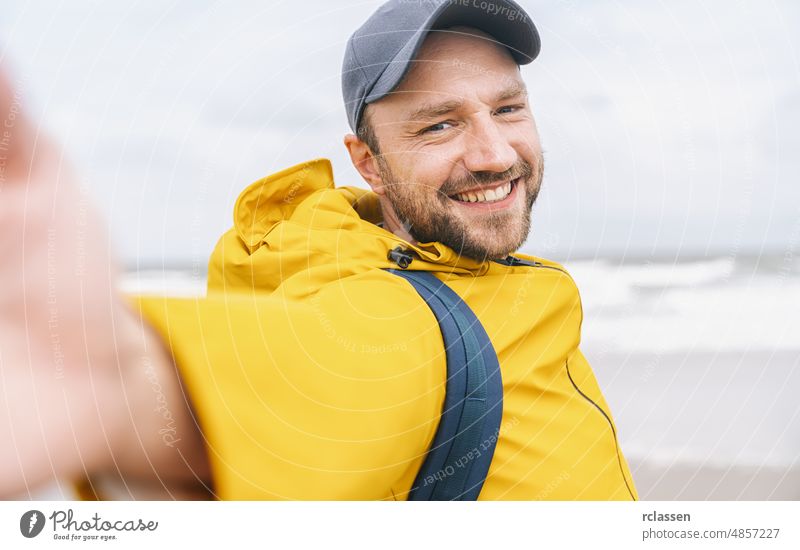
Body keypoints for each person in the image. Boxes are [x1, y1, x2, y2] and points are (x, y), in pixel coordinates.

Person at [0, 0, 638, 500]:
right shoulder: (394, 318)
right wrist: (112, 384)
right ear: (370, 164)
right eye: (439, 124)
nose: (494, 153)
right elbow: (316, 372)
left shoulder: (498, 282)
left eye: (507, 108)